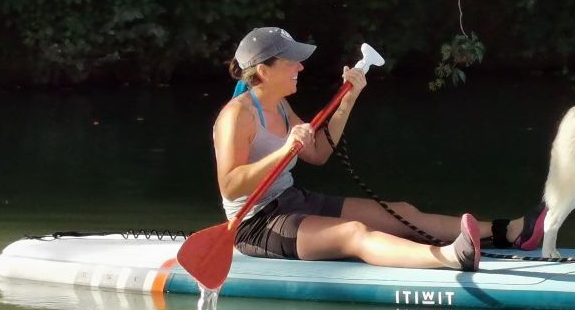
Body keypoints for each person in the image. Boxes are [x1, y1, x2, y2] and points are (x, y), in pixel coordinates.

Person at [213, 27, 546, 272]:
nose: (300, 67)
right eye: (292, 62)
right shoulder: (237, 116)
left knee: (400, 211)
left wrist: (348, 99)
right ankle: (450, 257)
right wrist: (284, 148)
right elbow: (229, 185)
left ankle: (509, 231)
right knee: (355, 234)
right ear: (263, 70)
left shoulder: (281, 106)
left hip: (291, 201)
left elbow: (318, 154)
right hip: (255, 224)